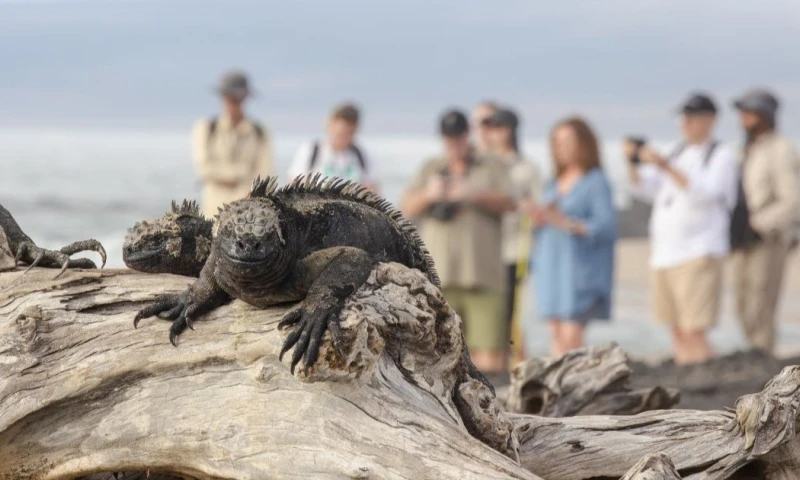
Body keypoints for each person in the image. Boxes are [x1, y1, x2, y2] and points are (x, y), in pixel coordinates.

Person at [625, 93, 738, 364]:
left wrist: (664, 164)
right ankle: (689, 376)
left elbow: (705, 194)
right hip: (666, 253)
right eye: (683, 118)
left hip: (699, 251)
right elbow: (644, 186)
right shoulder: (678, 150)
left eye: (691, 118)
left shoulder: (722, 155)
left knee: (694, 328)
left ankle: (709, 375)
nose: (684, 123)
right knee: (675, 327)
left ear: (710, 120)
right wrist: (633, 159)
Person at [402, 109, 514, 377]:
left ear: (468, 134)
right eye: (448, 138)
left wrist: (472, 193)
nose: (454, 143)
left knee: (489, 359)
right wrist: (431, 194)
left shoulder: (491, 165)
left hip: (483, 275)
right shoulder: (431, 167)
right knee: (438, 352)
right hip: (440, 279)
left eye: (458, 136)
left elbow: (510, 203)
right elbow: (406, 207)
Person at [530, 117, 617, 357]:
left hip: (579, 274)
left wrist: (567, 223)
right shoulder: (552, 184)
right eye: (557, 142)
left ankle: (573, 389)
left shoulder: (595, 181)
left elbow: (605, 227)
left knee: (571, 336)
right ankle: (557, 389)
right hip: (551, 270)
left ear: (584, 143)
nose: (562, 148)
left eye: (569, 141)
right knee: (556, 334)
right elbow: (543, 226)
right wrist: (538, 219)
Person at [731, 88, 800, 354]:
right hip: (742, 239)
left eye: (748, 113)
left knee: (761, 303)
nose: (743, 119)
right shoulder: (745, 150)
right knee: (741, 303)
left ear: (764, 115)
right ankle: (753, 353)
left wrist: (759, 224)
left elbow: (792, 199)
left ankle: (762, 358)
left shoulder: (781, 150)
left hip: (768, 238)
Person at [483, 108, 543, 356]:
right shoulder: (482, 164)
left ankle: (517, 364)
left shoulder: (527, 167)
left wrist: (527, 209)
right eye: (493, 127)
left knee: (511, 314)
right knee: (487, 315)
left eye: (502, 127)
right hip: (484, 249)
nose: (498, 133)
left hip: (513, 250)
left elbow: (540, 210)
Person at [192, 69, 273, 219]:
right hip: (212, 213)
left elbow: (265, 176)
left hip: (248, 215)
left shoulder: (260, 133)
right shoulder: (206, 129)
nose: (234, 103)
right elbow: (204, 169)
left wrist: (222, 175)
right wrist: (242, 172)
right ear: (222, 97)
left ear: (245, 97)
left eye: (237, 98)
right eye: (230, 97)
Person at [288, 103, 379, 192]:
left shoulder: (362, 155)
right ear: (330, 125)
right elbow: (294, 185)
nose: (344, 137)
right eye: (340, 133)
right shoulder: (310, 150)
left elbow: (374, 191)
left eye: (349, 133)